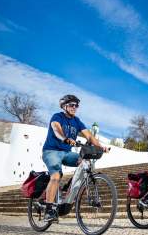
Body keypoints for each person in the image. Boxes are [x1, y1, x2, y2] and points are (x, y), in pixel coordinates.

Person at [42, 94, 108, 222]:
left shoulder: (77, 121)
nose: (74, 107)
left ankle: (67, 187)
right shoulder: (57, 116)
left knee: (84, 161)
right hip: (51, 151)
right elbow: (56, 129)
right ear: (64, 106)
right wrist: (65, 139)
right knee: (56, 176)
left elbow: (89, 136)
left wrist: (100, 147)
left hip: (66, 153)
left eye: (76, 105)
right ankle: (48, 210)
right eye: (71, 105)